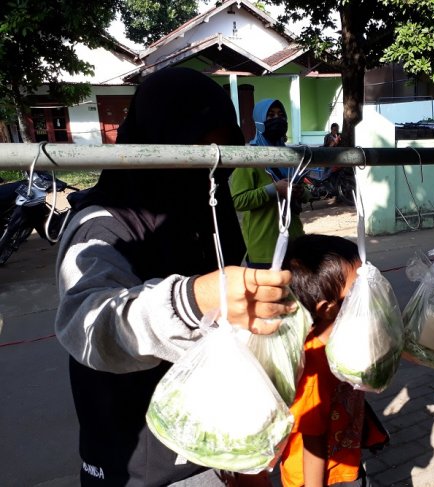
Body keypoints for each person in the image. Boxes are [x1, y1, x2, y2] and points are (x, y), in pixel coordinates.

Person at [54, 68, 295, 486]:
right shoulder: (102, 225)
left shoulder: (207, 211)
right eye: (199, 151)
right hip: (140, 464)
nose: (212, 168)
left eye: (224, 153)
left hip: (218, 445)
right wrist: (192, 300)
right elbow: (88, 324)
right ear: (159, 141)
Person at [279, 234, 387, 487]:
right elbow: (312, 443)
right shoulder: (314, 365)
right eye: (357, 288)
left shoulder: (349, 339)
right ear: (328, 308)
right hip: (315, 476)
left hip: (345, 462)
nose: (367, 291)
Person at [230, 98, 306, 268]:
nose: (277, 119)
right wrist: (274, 189)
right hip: (265, 247)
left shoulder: (290, 155)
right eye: (270, 116)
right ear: (259, 121)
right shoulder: (249, 158)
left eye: (280, 115)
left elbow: (304, 189)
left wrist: (302, 191)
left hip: (295, 241)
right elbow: (238, 201)